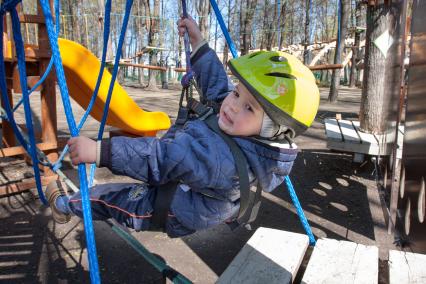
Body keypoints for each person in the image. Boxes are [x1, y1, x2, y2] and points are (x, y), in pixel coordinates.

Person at [46, 16, 319, 237]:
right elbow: (217, 87)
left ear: (272, 129)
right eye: (237, 94)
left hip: (175, 207)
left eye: (249, 107)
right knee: (208, 112)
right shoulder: (252, 135)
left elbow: (163, 158)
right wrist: (199, 45)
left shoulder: (220, 161)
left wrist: (100, 151)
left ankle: (63, 205)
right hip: (194, 184)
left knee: (112, 198)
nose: (233, 105)